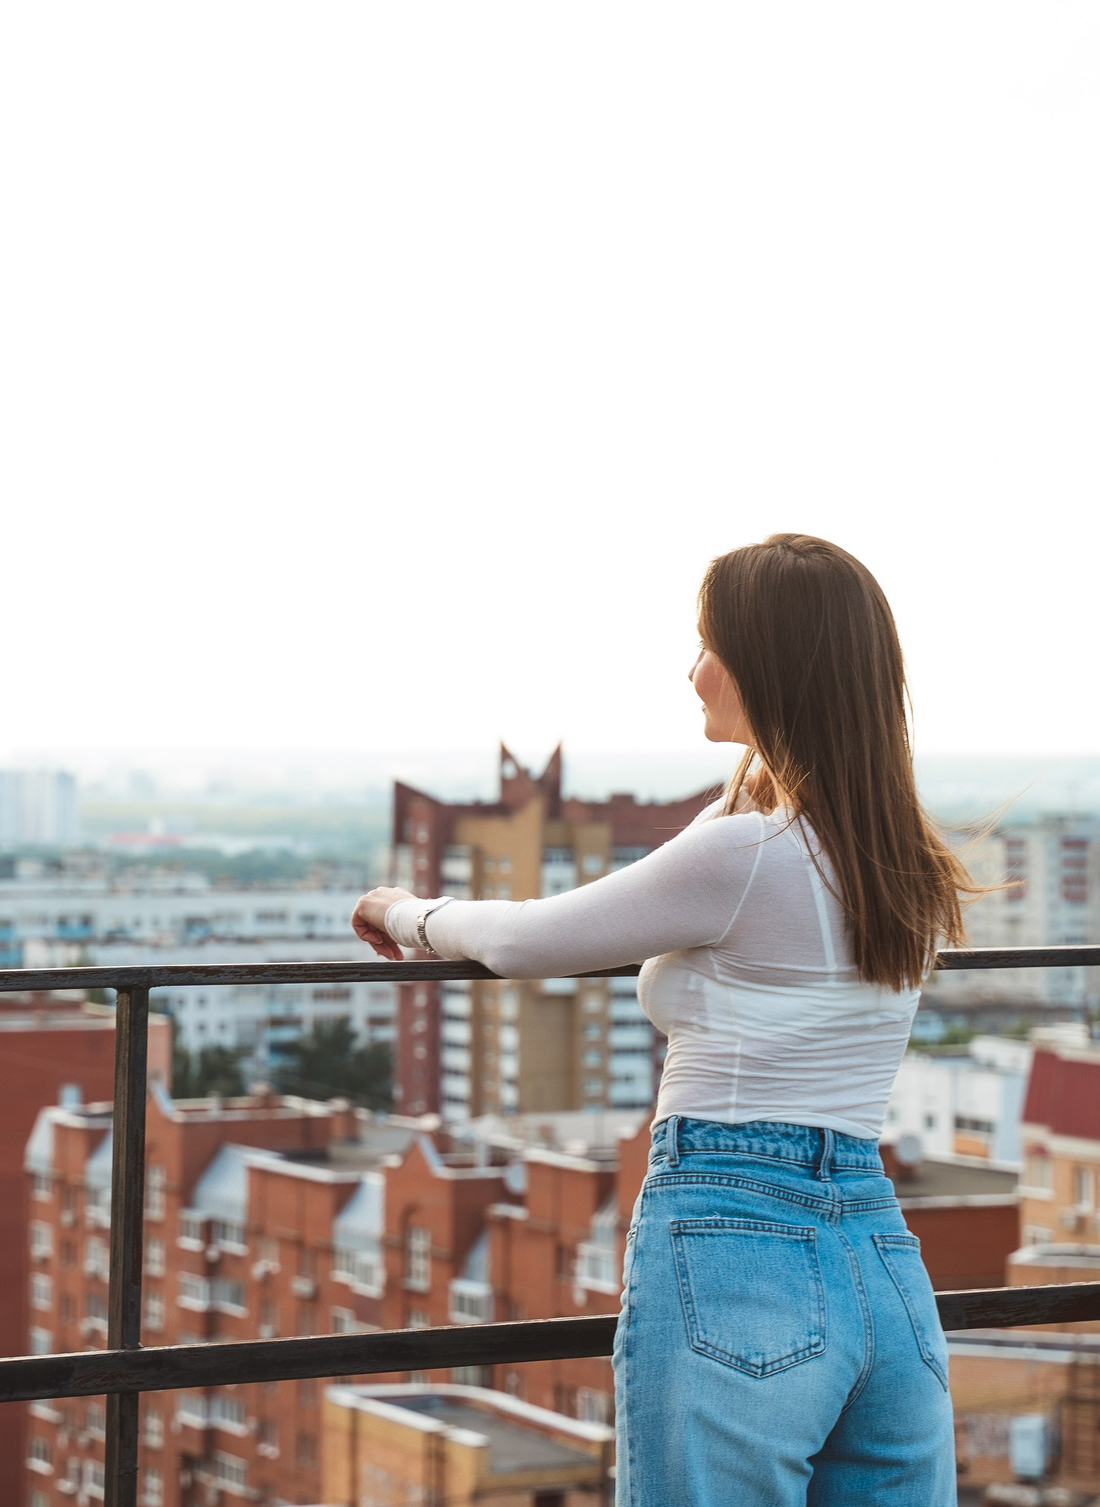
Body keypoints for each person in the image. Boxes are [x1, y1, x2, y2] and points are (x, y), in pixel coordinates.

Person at [352, 532, 976, 1506]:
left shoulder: (745, 857)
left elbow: (524, 940)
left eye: (707, 645)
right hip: (879, 1249)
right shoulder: (898, 863)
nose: (691, 672)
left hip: (736, 1231)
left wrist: (403, 912)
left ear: (766, 666)